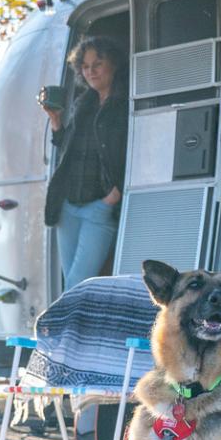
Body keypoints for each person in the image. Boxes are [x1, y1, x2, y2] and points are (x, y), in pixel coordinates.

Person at [43, 35, 129, 291]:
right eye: (85, 66)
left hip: (99, 207)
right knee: (70, 282)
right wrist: (57, 123)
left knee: (76, 284)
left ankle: (59, 331)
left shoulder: (124, 104)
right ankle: (67, 331)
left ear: (114, 64)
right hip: (68, 206)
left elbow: (132, 152)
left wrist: (113, 197)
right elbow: (70, 149)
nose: (90, 71)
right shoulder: (84, 103)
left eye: (98, 64)